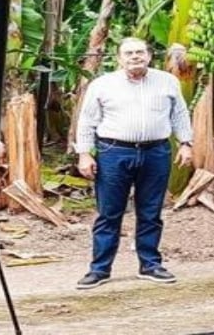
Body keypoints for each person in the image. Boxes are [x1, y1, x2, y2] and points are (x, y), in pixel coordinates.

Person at [74, 37, 193, 289]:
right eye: (129, 53)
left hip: (156, 152)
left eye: (140, 52)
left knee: (151, 212)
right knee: (109, 213)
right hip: (114, 152)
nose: (135, 57)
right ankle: (100, 269)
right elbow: (87, 121)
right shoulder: (103, 85)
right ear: (119, 58)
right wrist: (84, 153)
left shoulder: (167, 81)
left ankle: (150, 264)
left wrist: (185, 143)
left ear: (149, 55)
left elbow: (179, 113)